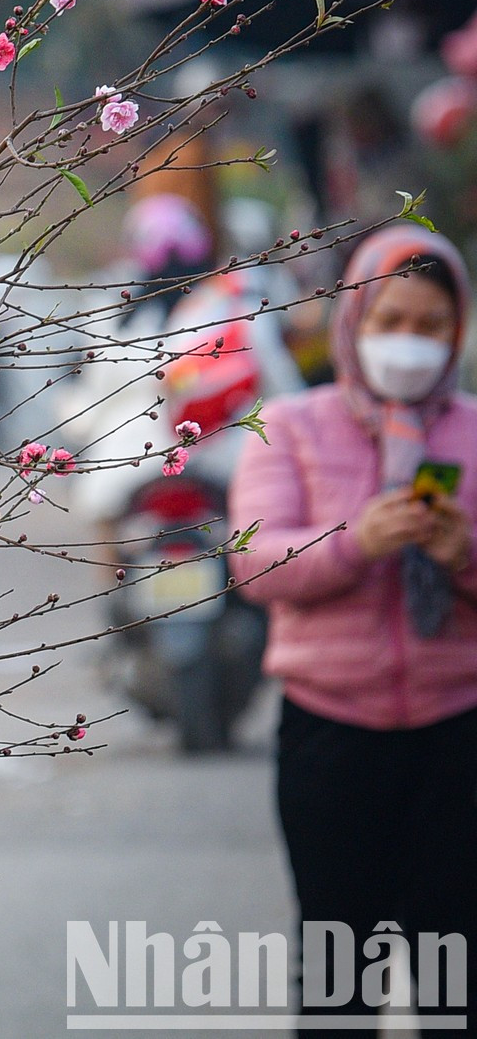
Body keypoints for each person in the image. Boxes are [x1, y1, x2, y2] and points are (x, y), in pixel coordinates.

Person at [229, 227, 477, 1030]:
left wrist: (462, 556)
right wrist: (355, 543)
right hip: (331, 736)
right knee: (340, 973)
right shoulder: (291, 425)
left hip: (459, 731)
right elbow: (255, 565)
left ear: (459, 331)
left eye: (430, 325)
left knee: (458, 971)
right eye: (390, 319)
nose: (409, 342)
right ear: (354, 319)